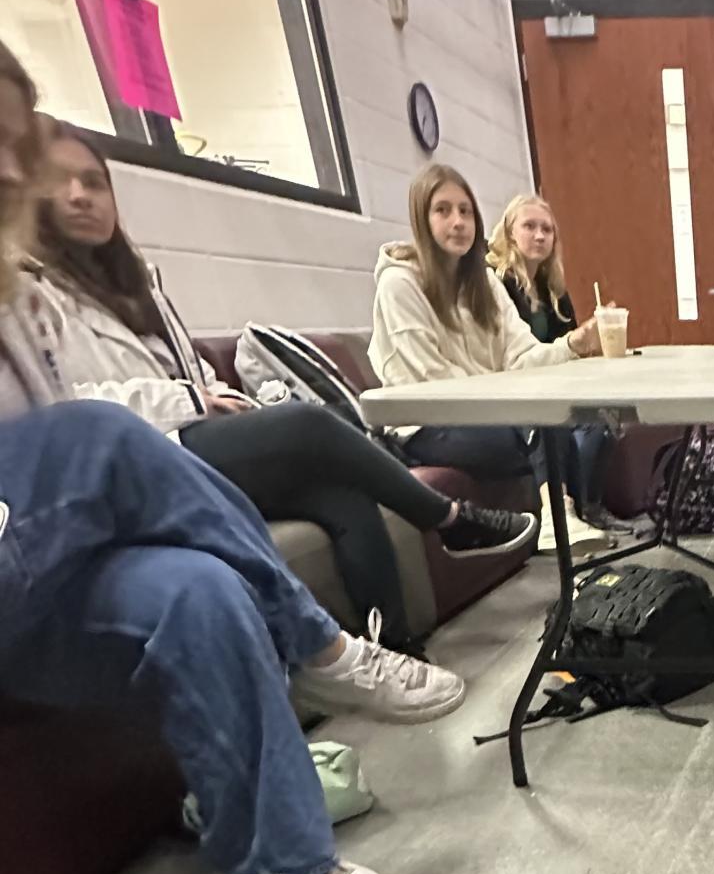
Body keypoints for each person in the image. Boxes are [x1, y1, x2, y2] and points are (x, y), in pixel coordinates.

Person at [0, 38, 453, 874]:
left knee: (203, 588)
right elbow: (84, 428)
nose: (14, 173)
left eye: (13, 146)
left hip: (49, 574)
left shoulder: (28, 297)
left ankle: (272, 861)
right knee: (108, 432)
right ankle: (322, 644)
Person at [32, 120, 538, 654]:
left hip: (192, 441)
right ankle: (448, 517)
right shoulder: (29, 296)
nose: (79, 195)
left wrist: (220, 399)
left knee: (345, 496)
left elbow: (194, 371)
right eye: (61, 181)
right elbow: (62, 409)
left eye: (94, 182)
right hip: (131, 461)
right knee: (309, 423)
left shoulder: (141, 285)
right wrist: (191, 399)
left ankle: (397, 647)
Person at [369, 165, 604, 546]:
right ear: (421, 219)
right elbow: (429, 384)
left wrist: (572, 346)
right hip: (425, 424)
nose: (458, 222)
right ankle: (558, 520)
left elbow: (521, 355)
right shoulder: (399, 284)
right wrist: (506, 403)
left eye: (465, 211)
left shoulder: (486, 283)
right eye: (443, 210)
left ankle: (565, 519)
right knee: (540, 422)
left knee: (555, 416)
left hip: (483, 413)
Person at [487, 194, 627, 535]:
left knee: (606, 416)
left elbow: (571, 346)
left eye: (547, 229)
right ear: (509, 232)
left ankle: (590, 508)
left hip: (554, 384)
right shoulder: (497, 284)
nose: (539, 236)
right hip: (514, 388)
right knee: (563, 420)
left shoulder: (553, 288)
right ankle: (568, 513)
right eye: (529, 226)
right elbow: (513, 358)